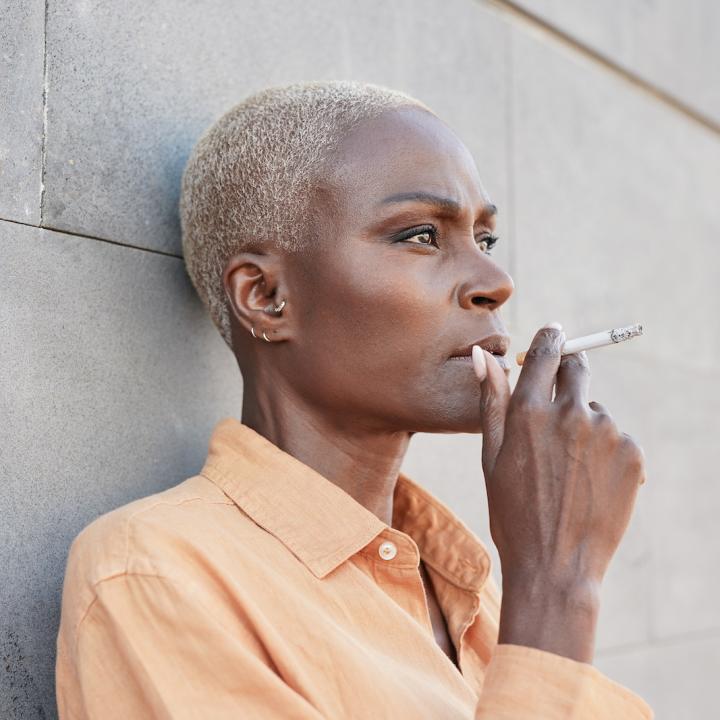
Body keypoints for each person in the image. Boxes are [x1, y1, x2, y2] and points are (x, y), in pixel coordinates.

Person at [55, 80, 653, 719]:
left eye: (485, 239)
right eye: (422, 234)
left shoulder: (472, 593)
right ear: (265, 296)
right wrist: (557, 588)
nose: (495, 282)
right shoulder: (158, 575)